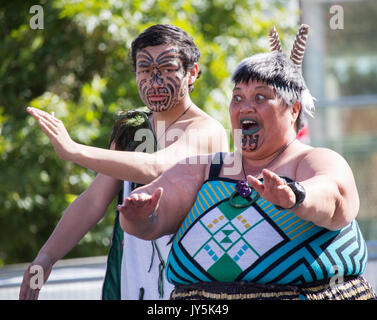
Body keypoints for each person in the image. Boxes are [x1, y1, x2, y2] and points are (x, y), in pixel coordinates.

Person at [116, 26, 377, 300]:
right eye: (237, 97)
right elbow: (155, 213)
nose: (245, 107)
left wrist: (296, 196)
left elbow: (335, 199)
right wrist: (137, 216)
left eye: (260, 97)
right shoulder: (207, 169)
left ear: (294, 109)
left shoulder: (311, 159)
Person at [19, 24, 228, 300]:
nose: (154, 81)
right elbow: (93, 201)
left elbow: (157, 166)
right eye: (144, 69)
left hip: (192, 291)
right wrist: (45, 258)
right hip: (135, 285)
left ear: (192, 73)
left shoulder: (206, 130)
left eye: (166, 69)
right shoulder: (132, 129)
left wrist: (74, 151)